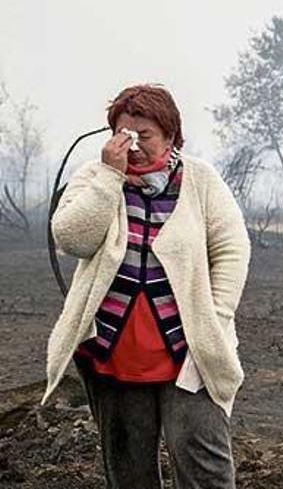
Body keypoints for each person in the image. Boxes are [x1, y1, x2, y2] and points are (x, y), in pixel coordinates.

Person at [41, 84, 251, 488]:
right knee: (129, 474)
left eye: (144, 136)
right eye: (123, 134)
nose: (132, 146)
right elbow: (71, 238)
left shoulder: (200, 180)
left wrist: (218, 318)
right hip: (113, 354)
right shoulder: (96, 176)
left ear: (171, 137)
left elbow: (231, 249)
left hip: (190, 352)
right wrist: (108, 179)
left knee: (204, 464)